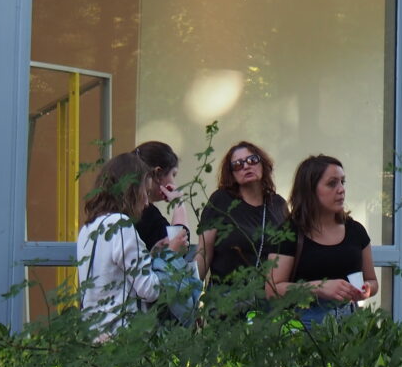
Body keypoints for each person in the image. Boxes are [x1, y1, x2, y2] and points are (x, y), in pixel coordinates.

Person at [76, 152, 187, 337]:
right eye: (145, 192)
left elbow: (114, 273)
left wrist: (152, 254)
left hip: (94, 332)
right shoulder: (121, 225)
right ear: (132, 191)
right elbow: (149, 290)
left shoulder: (89, 227)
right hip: (123, 335)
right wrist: (170, 256)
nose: (146, 202)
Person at [268, 155, 376, 328]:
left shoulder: (355, 230)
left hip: (351, 327)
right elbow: (272, 290)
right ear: (309, 190)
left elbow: (372, 281)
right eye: (332, 183)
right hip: (303, 328)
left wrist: (365, 289)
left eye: (343, 182)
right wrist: (318, 288)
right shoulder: (289, 232)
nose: (341, 189)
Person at [197, 141, 289, 292]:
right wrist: (190, 298)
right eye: (238, 165)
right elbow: (203, 254)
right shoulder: (221, 200)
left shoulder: (278, 204)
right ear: (231, 173)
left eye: (252, 160)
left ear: (262, 164)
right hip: (226, 300)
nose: (246, 166)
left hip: (269, 300)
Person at [132, 141, 190, 252]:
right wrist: (178, 203)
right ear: (158, 173)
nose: (174, 182)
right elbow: (178, 250)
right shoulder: (146, 212)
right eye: (173, 174)